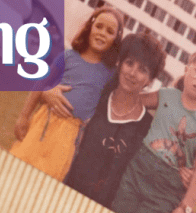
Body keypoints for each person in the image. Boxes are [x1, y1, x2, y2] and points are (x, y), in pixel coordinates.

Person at [10, 5, 124, 180]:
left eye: (110, 31)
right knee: (18, 166)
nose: (102, 33)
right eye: (99, 26)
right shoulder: (69, 56)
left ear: (116, 39)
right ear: (90, 27)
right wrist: (24, 116)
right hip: (44, 121)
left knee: (47, 179)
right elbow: (41, 83)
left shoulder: (110, 73)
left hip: (70, 134)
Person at [63, 33, 166, 208]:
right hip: (64, 194)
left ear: (150, 80)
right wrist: (48, 92)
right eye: (129, 63)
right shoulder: (95, 99)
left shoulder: (148, 128)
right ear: (120, 64)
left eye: (143, 70)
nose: (133, 73)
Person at [112, 48, 196, 213]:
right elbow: (133, 101)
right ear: (186, 70)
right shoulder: (166, 95)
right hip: (135, 173)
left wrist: (185, 207)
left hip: (166, 193)